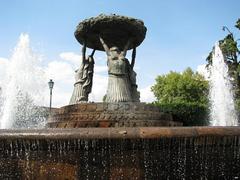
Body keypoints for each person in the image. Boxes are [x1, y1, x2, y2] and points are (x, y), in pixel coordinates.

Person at [99, 36, 132, 102]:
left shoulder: (121, 56)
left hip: (122, 78)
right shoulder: (110, 56)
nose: (115, 52)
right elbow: (104, 46)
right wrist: (101, 38)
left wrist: (129, 40)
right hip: (113, 77)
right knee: (113, 95)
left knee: (124, 95)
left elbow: (126, 48)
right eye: (113, 50)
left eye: (116, 50)